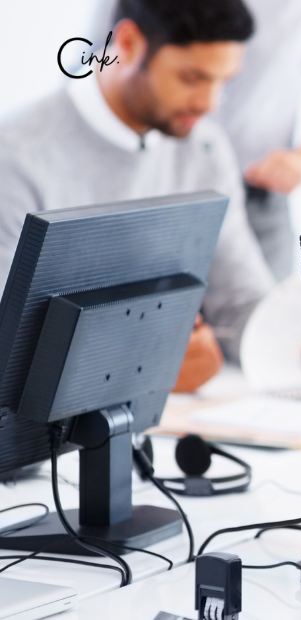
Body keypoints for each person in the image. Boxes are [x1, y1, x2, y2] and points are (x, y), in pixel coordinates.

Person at [0, 0, 273, 392]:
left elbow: (242, 300)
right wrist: (140, 368)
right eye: (192, 78)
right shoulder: (16, 158)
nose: (209, 103)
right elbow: (10, 345)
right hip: (48, 443)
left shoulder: (204, 147)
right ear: (127, 43)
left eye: (223, 82)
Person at [91, 0, 301, 282]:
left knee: (264, 318)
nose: (209, 104)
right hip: (145, 193)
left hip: (257, 197)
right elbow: (96, 59)